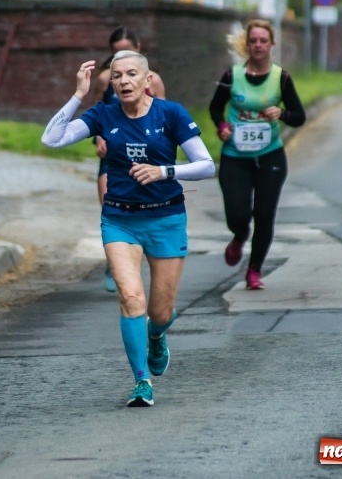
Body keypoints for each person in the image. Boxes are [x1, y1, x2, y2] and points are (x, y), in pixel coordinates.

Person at [42, 50, 215, 407]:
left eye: (131, 74)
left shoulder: (171, 114)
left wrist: (165, 171)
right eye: (117, 76)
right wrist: (78, 95)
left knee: (161, 312)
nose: (123, 81)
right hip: (120, 219)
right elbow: (52, 139)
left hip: (166, 217)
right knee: (131, 297)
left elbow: (207, 165)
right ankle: (141, 380)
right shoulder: (104, 115)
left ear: (147, 80)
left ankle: (156, 335)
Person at [208, 19, 306, 290]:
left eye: (264, 41)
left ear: (272, 45)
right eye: (253, 41)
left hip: (270, 156)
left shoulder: (281, 77)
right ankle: (239, 235)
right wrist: (223, 126)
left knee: (264, 214)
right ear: (247, 44)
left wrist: (282, 113)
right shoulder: (232, 76)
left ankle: (254, 270)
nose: (258, 45)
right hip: (235, 157)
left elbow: (299, 116)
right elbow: (215, 108)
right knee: (237, 214)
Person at [87, 26, 166, 293]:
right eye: (117, 52)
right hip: (113, 153)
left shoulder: (152, 80)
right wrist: (98, 137)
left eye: (127, 51)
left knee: (146, 209)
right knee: (110, 205)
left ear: (139, 48)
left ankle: (146, 255)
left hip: (145, 155)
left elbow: (164, 117)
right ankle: (115, 259)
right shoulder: (105, 79)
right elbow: (97, 112)